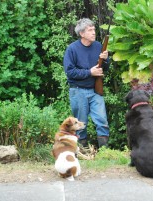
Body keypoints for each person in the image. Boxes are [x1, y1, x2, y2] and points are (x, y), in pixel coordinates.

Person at [63, 18, 110, 148]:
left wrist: (105, 60)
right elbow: (70, 72)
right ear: (82, 34)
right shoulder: (72, 49)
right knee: (80, 124)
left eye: (94, 29)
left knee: (102, 120)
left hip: (95, 90)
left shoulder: (98, 46)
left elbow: (105, 68)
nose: (94, 32)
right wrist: (90, 73)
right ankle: (81, 151)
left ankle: (105, 153)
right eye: (90, 30)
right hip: (78, 91)